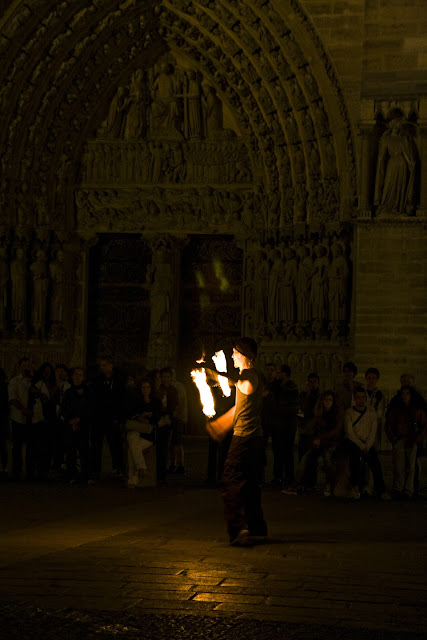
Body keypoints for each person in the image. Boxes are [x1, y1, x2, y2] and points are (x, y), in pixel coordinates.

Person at [204, 337, 267, 546]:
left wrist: (222, 376)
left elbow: (247, 387)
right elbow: (238, 410)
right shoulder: (244, 375)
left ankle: (237, 528)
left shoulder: (250, 375)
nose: (232, 356)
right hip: (252, 437)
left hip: (246, 439)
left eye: (234, 352)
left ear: (245, 355)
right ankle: (257, 528)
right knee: (250, 484)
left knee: (230, 479)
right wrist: (220, 425)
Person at [290, 391, 344, 496]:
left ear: (333, 402)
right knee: (306, 457)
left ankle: (330, 484)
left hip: (332, 442)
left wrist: (320, 439)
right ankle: (298, 483)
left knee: (328, 458)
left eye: (330, 400)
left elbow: (336, 431)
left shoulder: (337, 415)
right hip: (321, 442)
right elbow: (312, 427)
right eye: (326, 399)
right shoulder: (319, 414)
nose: (327, 402)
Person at [342, 386, 389, 500]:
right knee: (354, 461)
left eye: (363, 397)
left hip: (367, 443)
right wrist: (362, 445)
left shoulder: (371, 413)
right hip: (354, 443)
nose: (361, 400)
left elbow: (373, 432)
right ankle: (355, 487)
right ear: (355, 398)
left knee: (375, 464)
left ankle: (380, 490)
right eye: (358, 397)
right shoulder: (349, 413)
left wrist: (367, 445)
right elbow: (349, 432)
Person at [385, 385, 427, 500]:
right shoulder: (397, 410)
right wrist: (394, 439)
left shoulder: (417, 410)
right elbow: (389, 425)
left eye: (407, 393)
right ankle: (399, 489)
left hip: (411, 440)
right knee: (399, 466)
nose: (404, 396)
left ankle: (407, 490)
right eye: (403, 394)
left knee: (410, 466)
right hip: (400, 439)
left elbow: (423, 426)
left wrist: (417, 439)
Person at [91, 357, 126, 479]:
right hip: (99, 418)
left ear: (111, 365)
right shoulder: (97, 381)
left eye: (104, 365)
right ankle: (95, 470)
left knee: (115, 444)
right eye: (101, 365)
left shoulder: (119, 380)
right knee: (97, 445)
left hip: (113, 418)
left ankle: (118, 468)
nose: (102, 368)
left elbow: (121, 400)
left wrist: (118, 417)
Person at [124, 378, 161, 488]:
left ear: (151, 388)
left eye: (148, 387)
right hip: (137, 432)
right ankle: (140, 470)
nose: (145, 389)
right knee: (131, 437)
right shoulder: (136, 402)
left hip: (148, 435)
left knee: (132, 450)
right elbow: (131, 415)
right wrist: (140, 418)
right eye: (143, 387)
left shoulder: (155, 402)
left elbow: (157, 418)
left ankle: (133, 478)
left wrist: (148, 419)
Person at [61, 367, 94, 485]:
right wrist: (71, 421)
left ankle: (86, 475)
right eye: (76, 374)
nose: (77, 377)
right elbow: (64, 409)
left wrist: (79, 420)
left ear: (83, 377)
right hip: (70, 426)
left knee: (84, 451)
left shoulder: (89, 392)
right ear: (72, 376)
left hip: (84, 426)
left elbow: (90, 409)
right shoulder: (68, 393)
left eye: (80, 375)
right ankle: (72, 475)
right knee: (70, 451)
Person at [273, 364, 299, 488]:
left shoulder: (291, 387)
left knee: (287, 451)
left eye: (280, 373)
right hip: (279, 424)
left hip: (288, 424)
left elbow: (290, 399)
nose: (278, 375)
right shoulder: (278, 386)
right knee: (278, 451)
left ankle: (289, 477)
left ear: (285, 374)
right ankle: (278, 477)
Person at [8, 357, 33, 480]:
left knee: (30, 446)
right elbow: (12, 398)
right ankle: (16, 471)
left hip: (31, 419)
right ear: (20, 367)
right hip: (17, 417)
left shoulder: (33, 381)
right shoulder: (14, 381)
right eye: (24, 365)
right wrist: (24, 410)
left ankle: (29, 471)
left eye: (28, 365)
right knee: (17, 446)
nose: (27, 367)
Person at [297, 373, 321, 461]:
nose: (312, 384)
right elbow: (300, 410)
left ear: (318, 383)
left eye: (314, 382)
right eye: (310, 382)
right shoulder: (302, 396)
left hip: (315, 431)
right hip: (304, 430)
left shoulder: (320, 397)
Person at [169, 367, 187, 474]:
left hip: (178, 418)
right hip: (178, 417)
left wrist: (177, 414)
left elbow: (182, 403)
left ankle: (179, 464)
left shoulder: (177, 386)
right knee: (174, 442)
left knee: (177, 442)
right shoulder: (177, 386)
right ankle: (175, 464)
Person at [0, 368, 9, 477]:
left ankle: (4, 467)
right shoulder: (6, 388)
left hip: (2, 420)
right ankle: (4, 468)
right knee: (3, 446)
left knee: (2, 446)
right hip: (3, 420)